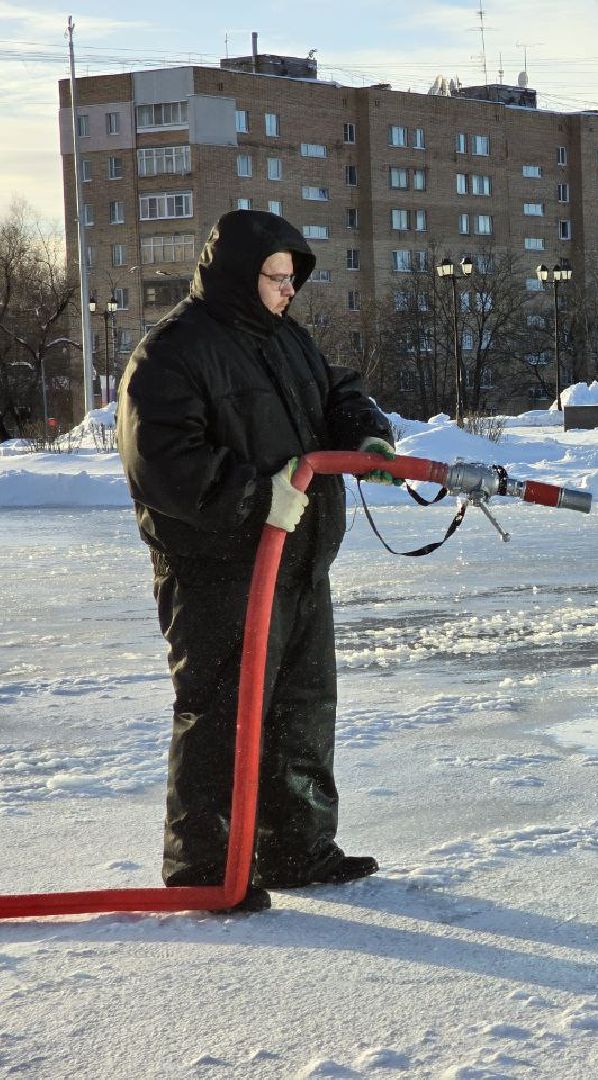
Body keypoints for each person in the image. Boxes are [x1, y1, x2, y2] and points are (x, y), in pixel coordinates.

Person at [117, 210, 395, 914]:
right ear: (242, 276)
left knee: (302, 710)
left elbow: (338, 390)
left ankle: (297, 847)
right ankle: (208, 870)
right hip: (218, 570)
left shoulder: (286, 342)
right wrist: (255, 495)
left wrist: (367, 435)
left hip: (298, 563)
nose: (287, 291)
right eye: (276, 278)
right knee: (221, 717)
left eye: (293, 279)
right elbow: (161, 460)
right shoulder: (174, 351)